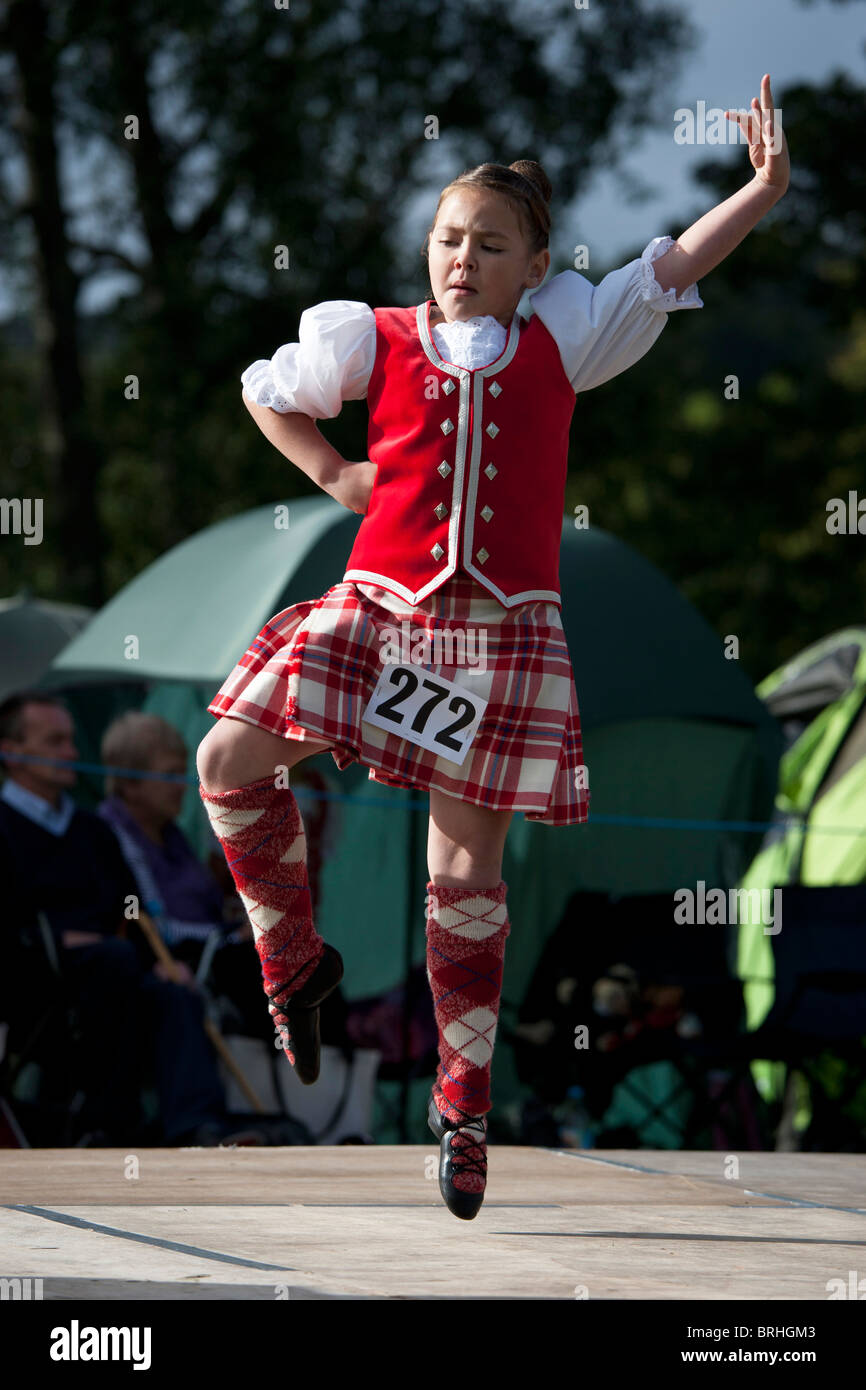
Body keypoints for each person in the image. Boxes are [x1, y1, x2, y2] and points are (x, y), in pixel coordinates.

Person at [197, 78, 790, 1218]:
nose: (460, 257)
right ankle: (293, 961)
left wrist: (758, 189)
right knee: (224, 763)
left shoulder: (565, 336)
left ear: (534, 263)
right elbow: (266, 391)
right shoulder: (371, 336)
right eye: (446, 238)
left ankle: (462, 1115)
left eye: (488, 243)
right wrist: (330, 472)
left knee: (461, 876)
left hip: (496, 635)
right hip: (377, 608)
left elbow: (667, 270)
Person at [0, 691, 262, 1146]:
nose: (71, 752)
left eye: (70, 741)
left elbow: (133, 910)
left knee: (175, 992)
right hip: (30, 981)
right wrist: (66, 942)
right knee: (115, 962)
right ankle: (106, 1127)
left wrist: (159, 961)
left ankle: (196, 1129)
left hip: (111, 970)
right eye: (55, 741)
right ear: (11, 751)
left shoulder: (91, 832)